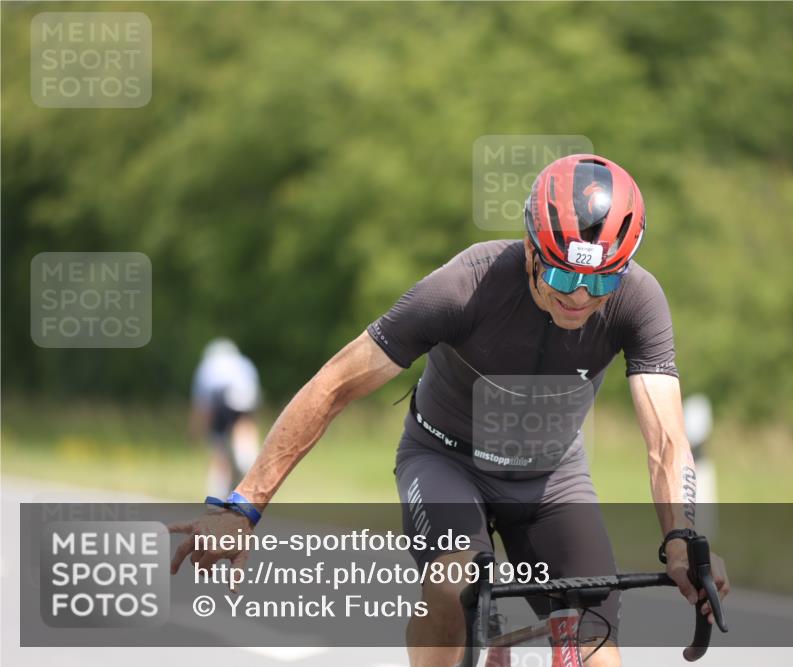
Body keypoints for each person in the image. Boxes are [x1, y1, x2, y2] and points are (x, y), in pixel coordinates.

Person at [170, 154, 730, 667]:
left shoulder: (639, 300)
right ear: (530, 248)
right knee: (453, 586)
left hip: (550, 477)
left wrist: (683, 539)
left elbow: (666, 440)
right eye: (563, 274)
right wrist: (243, 507)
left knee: (597, 645)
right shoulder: (464, 287)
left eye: (600, 280)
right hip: (445, 461)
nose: (579, 297)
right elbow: (333, 386)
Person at [189, 338, 262, 497]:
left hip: (220, 395)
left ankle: (218, 489)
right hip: (246, 394)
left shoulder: (207, 366)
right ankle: (246, 455)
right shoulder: (244, 363)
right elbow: (254, 397)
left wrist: (198, 432)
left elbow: (202, 406)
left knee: (219, 444)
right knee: (243, 424)